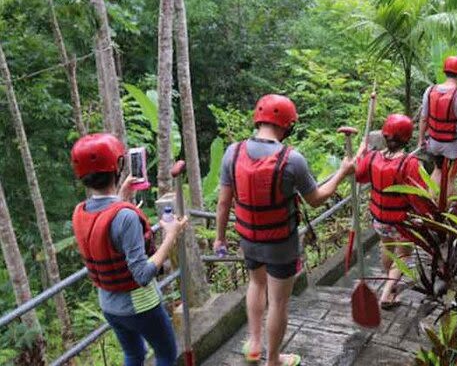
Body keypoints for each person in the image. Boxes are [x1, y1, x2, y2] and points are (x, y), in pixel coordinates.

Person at [213, 94, 354, 366]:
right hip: (281, 242)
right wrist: (342, 173)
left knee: (256, 283)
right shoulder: (293, 160)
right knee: (278, 302)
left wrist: (220, 238)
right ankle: (273, 359)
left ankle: (254, 346)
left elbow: (222, 202)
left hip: (248, 238)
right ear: (286, 125)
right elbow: (315, 199)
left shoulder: (233, 152)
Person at [70, 133, 187, 366]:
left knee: (134, 355)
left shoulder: (80, 211)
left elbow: (105, 230)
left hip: (110, 306)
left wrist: (121, 197)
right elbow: (142, 274)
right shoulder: (125, 216)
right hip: (140, 305)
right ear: (119, 165)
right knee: (165, 353)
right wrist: (171, 235)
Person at [355, 114, 429, 309]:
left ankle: (391, 286)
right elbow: (417, 196)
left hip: (379, 218)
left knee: (387, 248)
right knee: (404, 255)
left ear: (385, 135)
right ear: (407, 138)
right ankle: (387, 293)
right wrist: (425, 216)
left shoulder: (372, 157)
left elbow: (359, 176)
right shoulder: (409, 164)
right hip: (401, 220)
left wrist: (361, 153)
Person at [418, 56, 457, 195]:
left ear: (445, 71)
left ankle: (431, 204)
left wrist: (421, 139)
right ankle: (446, 209)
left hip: (434, 142)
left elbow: (423, 118)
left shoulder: (430, 90)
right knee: (450, 177)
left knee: (437, 170)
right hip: (452, 145)